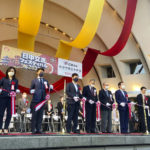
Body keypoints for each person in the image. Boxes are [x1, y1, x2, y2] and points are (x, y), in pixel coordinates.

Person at [0, 67, 19, 134]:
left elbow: (16, 88)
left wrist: (17, 90)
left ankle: (6, 128)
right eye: (10, 71)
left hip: (11, 98)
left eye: (13, 71)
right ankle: (0, 128)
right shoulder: (4, 79)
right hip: (3, 97)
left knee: (9, 114)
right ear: (8, 71)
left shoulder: (15, 80)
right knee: (1, 113)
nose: (11, 72)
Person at [30, 67, 50, 134]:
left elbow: (48, 90)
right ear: (37, 72)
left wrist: (51, 88)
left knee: (40, 116)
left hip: (42, 101)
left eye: (42, 71)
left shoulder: (45, 81)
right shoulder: (34, 80)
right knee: (34, 115)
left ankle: (38, 129)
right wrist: (31, 91)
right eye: (40, 71)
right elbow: (31, 89)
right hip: (35, 101)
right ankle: (33, 129)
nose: (41, 72)